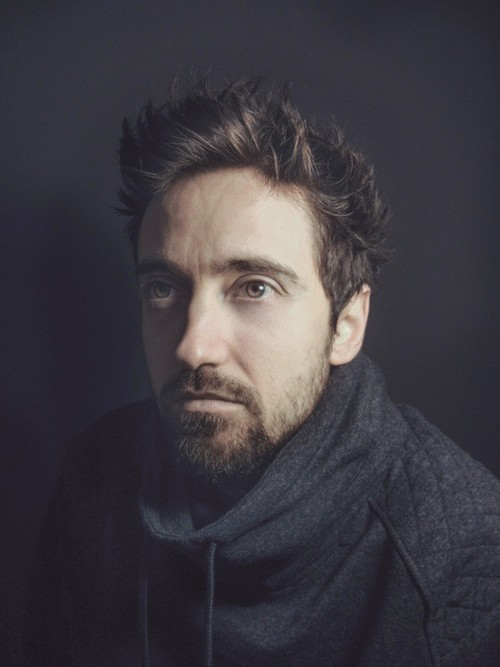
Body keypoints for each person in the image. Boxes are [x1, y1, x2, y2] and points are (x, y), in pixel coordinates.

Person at [25, 79, 500, 666]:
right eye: (163, 288)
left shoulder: (460, 556)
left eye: (254, 288)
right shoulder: (95, 477)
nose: (193, 347)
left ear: (347, 324)